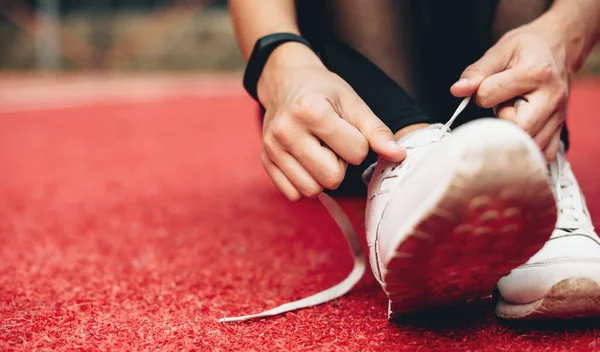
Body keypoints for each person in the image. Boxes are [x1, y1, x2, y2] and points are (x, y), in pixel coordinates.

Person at [221, 0, 600, 322]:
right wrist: (282, 62)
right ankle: (409, 154)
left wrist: (563, 32)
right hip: (350, 90)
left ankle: (526, 149)